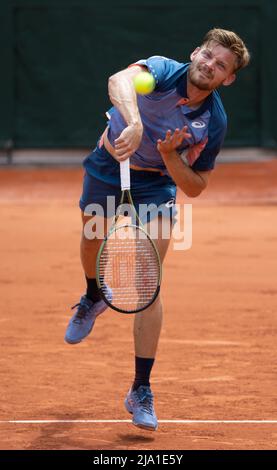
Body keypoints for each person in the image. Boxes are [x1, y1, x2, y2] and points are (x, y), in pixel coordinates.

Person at [64, 28, 250, 431]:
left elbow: (196, 187)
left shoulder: (212, 121)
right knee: (92, 238)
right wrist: (133, 125)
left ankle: (141, 388)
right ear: (195, 52)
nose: (209, 65)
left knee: (148, 279)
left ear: (227, 79)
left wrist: (169, 156)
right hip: (109, 163)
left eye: (220, 65)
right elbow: (119, 81)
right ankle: (94, 295)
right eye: (208, 55)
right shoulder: (162, 71)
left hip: (156, 183)